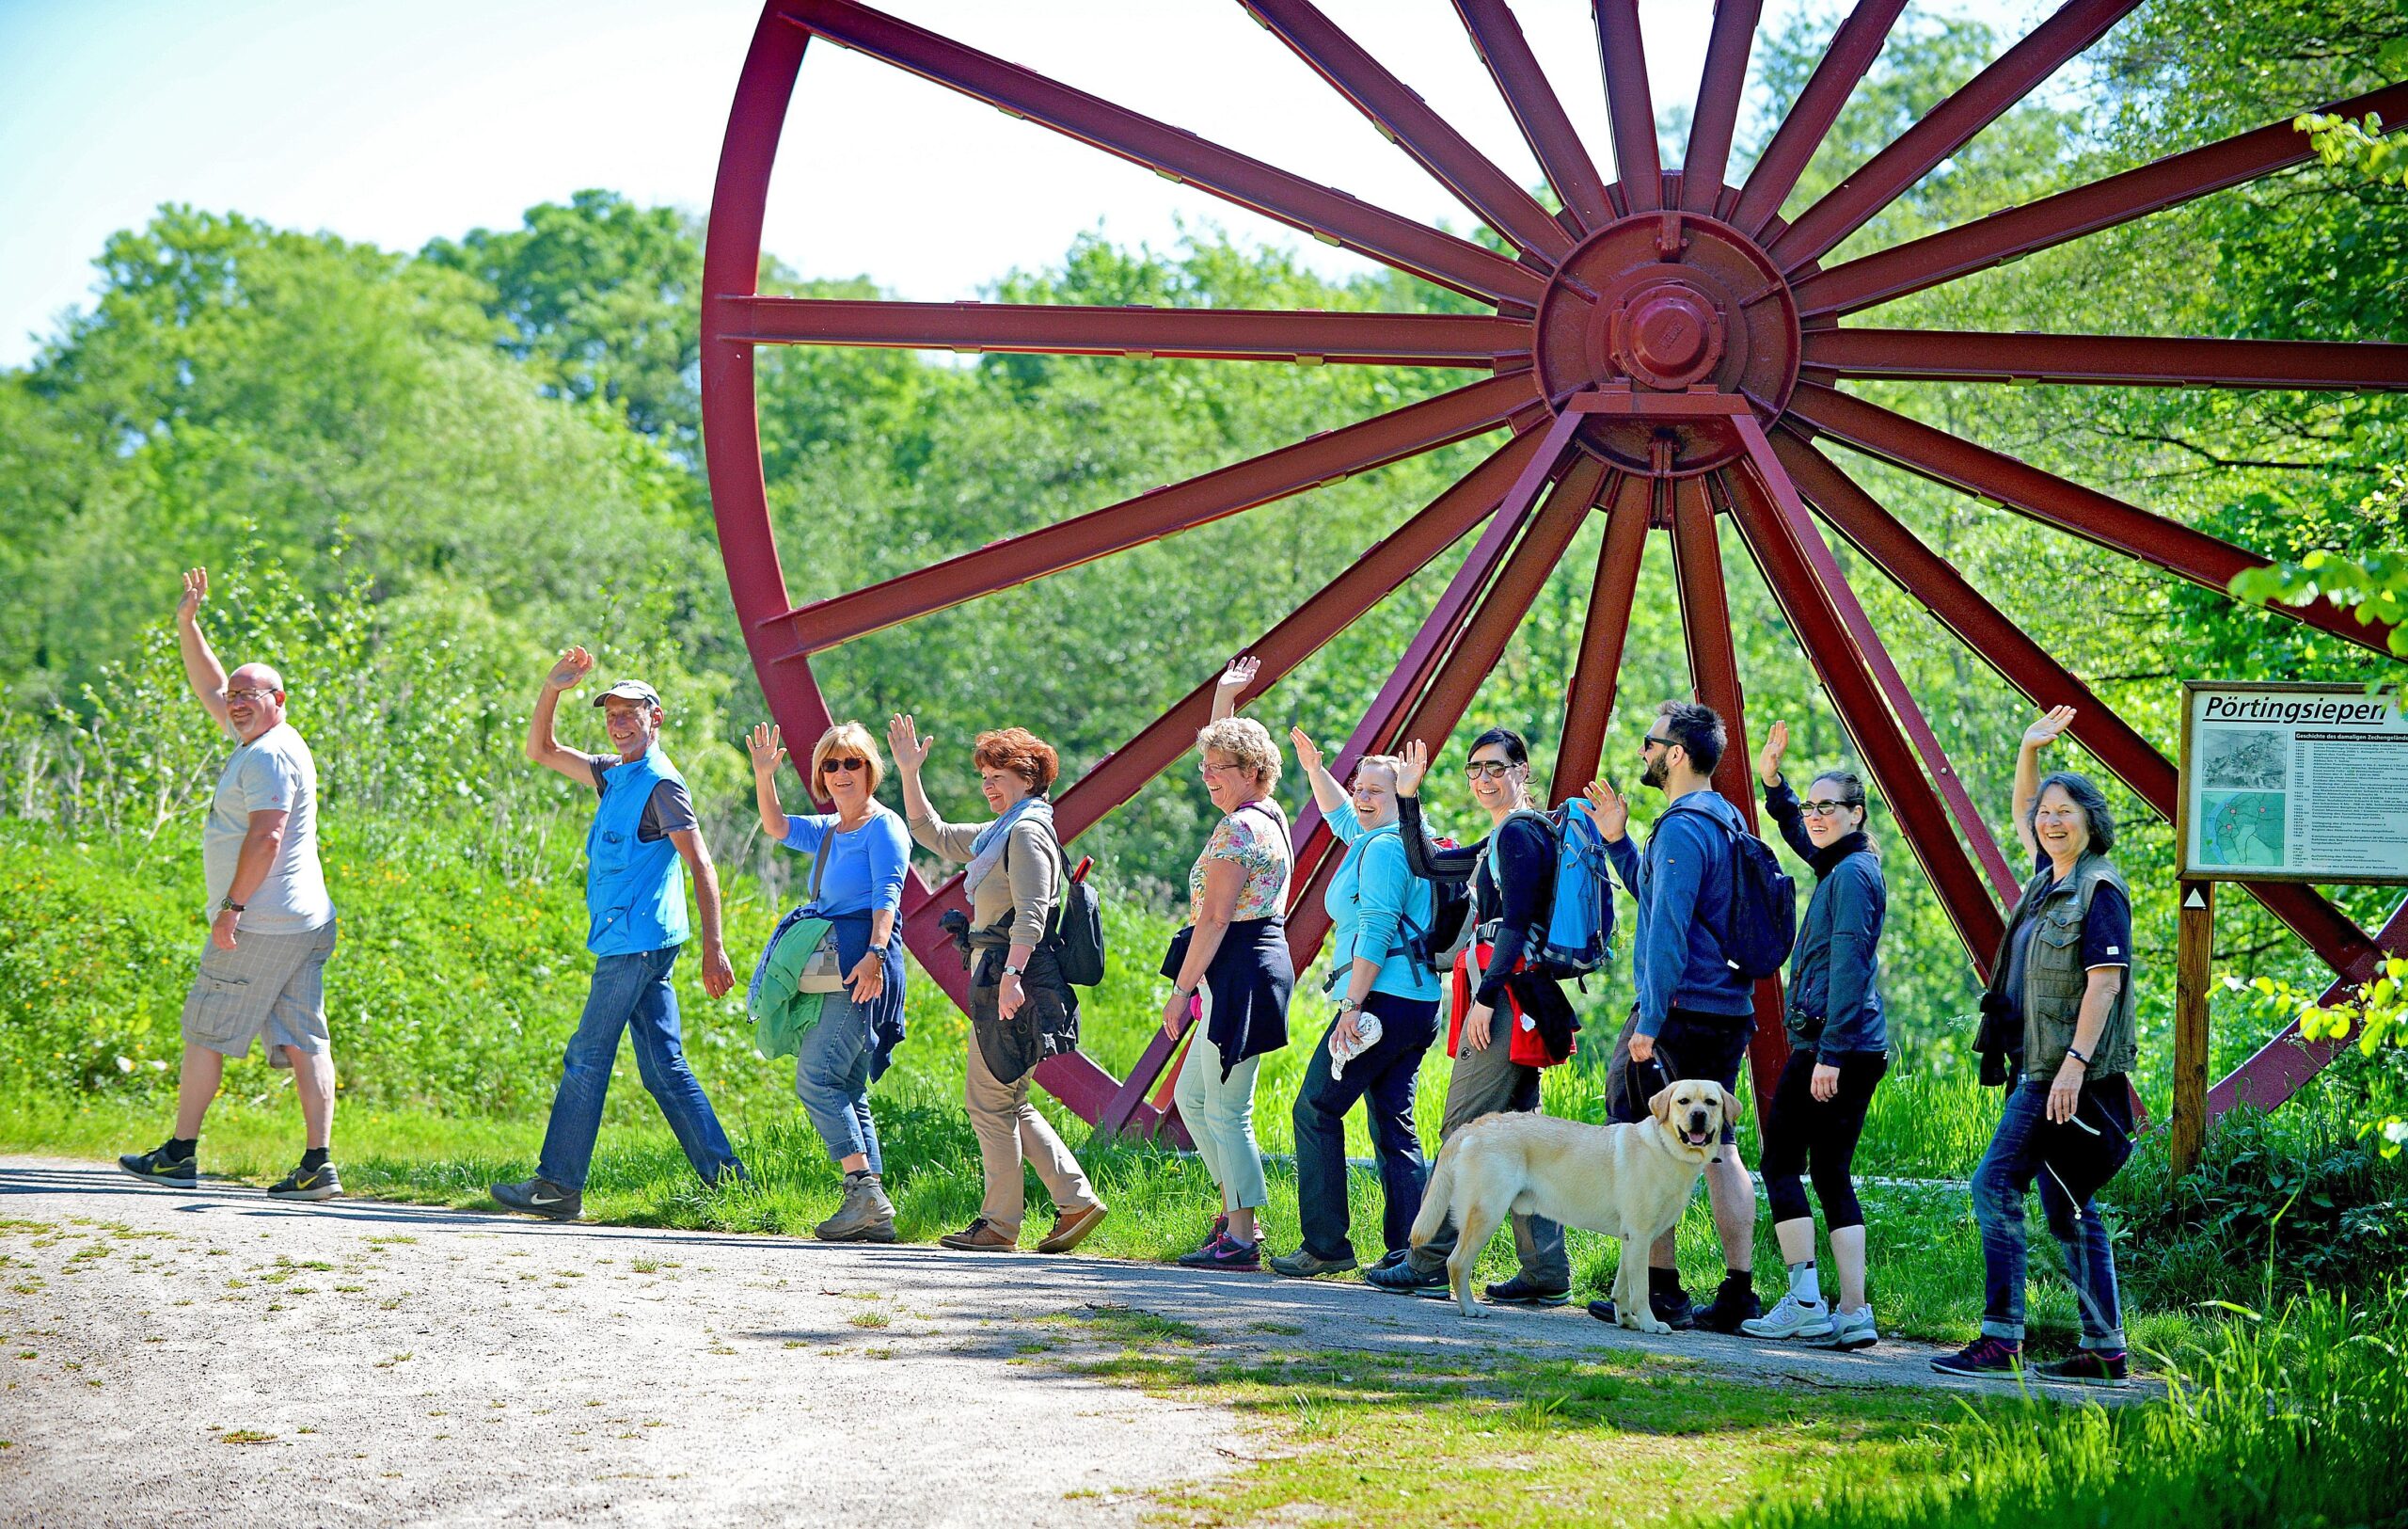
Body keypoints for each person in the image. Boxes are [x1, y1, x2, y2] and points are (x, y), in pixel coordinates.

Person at [489, 649, 745, 1220]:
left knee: (586, 1056)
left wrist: (715, 946)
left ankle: (558, 1186)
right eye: (612, 713)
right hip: (634, 940)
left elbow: (702, 865)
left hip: (636, 943)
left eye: (632, 713)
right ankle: (730, 1183)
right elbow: (542, 751)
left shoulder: (662, 785)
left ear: (656, 718)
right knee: (662, 1067)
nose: (620, 721)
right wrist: (552, 690)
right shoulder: (614, 773)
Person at [121, 568, 342, 1201]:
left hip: (262, 922)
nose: (237, 701)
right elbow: (211, 686)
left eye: (253, 694)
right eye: (236, 695)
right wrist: (188, 624)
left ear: (281, 699)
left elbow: (267, 836)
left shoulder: (268, 753)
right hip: (304, 920)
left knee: (205, 1029)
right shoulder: (267, 736)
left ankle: (179, 1154)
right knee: (304, 1035)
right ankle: (317, 1163)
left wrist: (232, 908)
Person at [1933, 705, 2137, 1386]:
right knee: (2069, 1202)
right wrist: (2028, 747)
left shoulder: (2097, 887)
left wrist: (2073, 1067)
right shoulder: (2050, 876)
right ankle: (2104, 1348)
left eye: (2064, 813)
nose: (2050, 821)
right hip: (2039, 1064)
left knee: (1994, 1184)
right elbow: (2022, 809)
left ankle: (2001, 1337)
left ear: (2091, 821)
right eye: (2045, 813)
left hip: (2060, 1071)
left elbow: (2103, 986)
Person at [1364, 727, 1576, 1307]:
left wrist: (1485, 1001)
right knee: (1520, 1139)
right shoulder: (1501, 838)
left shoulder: (1521, 835)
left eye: (1495, 768)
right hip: (1515, 998)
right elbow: (1427, 862)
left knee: (1461, 1130)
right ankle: (1545, 1272)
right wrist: (1407, 798)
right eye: (1474, 769)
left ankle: (1429, 1259)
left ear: (1522, 772)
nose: (1484, 779)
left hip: (1505, 1001)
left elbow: (1517, 924)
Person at [888, 714, 1108, 1255]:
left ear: (1029, 778)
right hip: (1000, 972)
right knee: (1007, 1097)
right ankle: (1074, 1201)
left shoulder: (1027, 832)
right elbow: (931, 834)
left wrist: (1011, 976)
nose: (987, 786)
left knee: (989, 1101)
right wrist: (909, 772)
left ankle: (1000, 1223)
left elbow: (1032, 912)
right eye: (984, 776)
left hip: (1015, 975)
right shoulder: (1000, 832)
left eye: (998, 776)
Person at [1586, 700, 1762, 1333]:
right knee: (1720, 1146)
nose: (1643, 753)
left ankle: (1660, 1290)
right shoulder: (1728, 819)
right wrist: (1617, 840)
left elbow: (1667, 932)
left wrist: (1650, 1022)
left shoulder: (1683, 827)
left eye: (1650, 741)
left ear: (1677, 753)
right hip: (1728, 1008)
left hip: (1681, 1010)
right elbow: (1661, 894)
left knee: (1645, 1143)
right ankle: (1738, 1290)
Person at [1738, 722, 1888, 1351]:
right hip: (1852, 1043)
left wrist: (1827, 1052)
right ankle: (1852, 1310)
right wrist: (1774, 785)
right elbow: (1803, 838)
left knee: (1780, 1163)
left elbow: (1851, 962)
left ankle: (1806, 1299)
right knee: (1829, 1170)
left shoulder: (1851, 876)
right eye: (1812, 805)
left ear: (1856, 813)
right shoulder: (1846, 864)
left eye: (1830, 806)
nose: (1816, 816)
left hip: (1836, 1045)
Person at [1273, 729, 1440, 1280]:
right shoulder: (1393, 837)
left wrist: (1351, 1004)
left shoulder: (1387, 849)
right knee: (1394, 1124)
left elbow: (1376, 926)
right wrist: (1315, 769)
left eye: (1376, 791)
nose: (1362, 798)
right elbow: (1342, 818)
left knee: (1315, 1108)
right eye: (1358, 787)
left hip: (1382, 1001)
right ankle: (1411, 1253)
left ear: (1402, 798)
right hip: (1415, 1002)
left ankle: (1325, 1245)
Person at [749, 719, 913, 1242]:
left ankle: (863, 1192)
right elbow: (776, 827)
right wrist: (764, 775)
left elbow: (889, 893)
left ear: (871, 769)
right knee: (845, 1085)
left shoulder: (882, 826)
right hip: (840, 964)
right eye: (831, 764)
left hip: (860, 963)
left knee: (816, 1078)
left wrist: (875, 953)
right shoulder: (831, 828)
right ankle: (872, 1207)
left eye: (853, 763)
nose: (842, 773)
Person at [1162, 659, 1292, 1272]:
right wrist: (1223, 699)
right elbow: (1231, 752)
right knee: (1193, 1099)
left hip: (1235, 970)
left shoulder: (1239, 831)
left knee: (1226, 1110)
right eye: (1204, 768)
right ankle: (1235, 1210)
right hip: (1243, 969)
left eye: (1219, 770)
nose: (1208, 777)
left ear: (1255, 773)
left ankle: (1241, 1235)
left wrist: (1179, 991)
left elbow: (1214, 920)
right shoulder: (1265, 815)